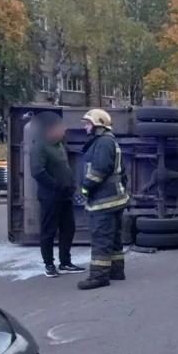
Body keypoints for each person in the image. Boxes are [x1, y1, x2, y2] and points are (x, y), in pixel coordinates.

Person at [77, 109, 129, 290]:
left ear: (98, 125)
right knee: (113, 238)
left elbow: (99, 170)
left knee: (101, 238)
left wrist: (85, 188)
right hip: (114, 199)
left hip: (104, 200)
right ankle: (116, 270)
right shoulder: (108, 141)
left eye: (88, 123)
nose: (85, 127)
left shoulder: (103, 143)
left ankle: (98, 277)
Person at [29, 112, 85, 277]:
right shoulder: (40, 146)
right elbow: (37, 171)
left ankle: (65, 262)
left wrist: (70, 186)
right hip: (50, 196)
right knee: (49, 230)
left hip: (65, 195)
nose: (64, 130)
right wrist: (55, 186)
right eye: (61, 128)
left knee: (68, 228)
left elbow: (65, 168)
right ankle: (49, 264)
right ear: (50, 130)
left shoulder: (59, 145)